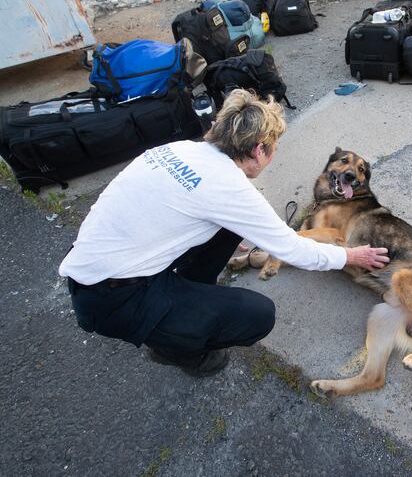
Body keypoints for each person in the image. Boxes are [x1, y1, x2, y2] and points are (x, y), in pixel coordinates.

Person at [59, 89, 389, 377]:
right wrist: (350, 254)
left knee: (230, 227)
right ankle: (176, 349)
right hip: (113, 300)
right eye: (274, 149)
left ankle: (186, 297)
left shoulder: (179, 150)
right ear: (261, 149)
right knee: (257, 314)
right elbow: (294, 250)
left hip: (93, 269)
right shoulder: (228, 188)